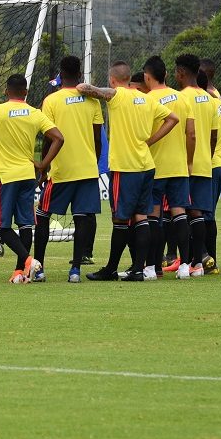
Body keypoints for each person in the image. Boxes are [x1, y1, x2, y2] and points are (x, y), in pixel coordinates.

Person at [77, 62, 177, 281]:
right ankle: (139, 269)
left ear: (113, 79)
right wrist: (151, 140)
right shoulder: (147, 99)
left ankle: (111, 269)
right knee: (141, 217)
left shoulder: (117, 95)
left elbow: (84, 88)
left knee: (120, 220)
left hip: (125, 167)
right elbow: (173, 119)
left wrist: (95, 90)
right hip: (146, 165)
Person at [0, 74, 64, 284]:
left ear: (6, 91)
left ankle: (28, 261)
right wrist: (43, 165)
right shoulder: (35, 113)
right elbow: (59, 138)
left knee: (2, 227)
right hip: (28, 175)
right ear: (25, 92)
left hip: (7, 177)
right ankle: (20, 271)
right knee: (26, 225)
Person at [37, 55, 103, 284]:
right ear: (80, 74)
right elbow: (97, 138)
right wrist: (92, 161)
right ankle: (75, 269)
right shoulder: (92, 100)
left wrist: (43, 167)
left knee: (42, 215)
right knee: (82, 219)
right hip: (87, 169)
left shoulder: (51, 101)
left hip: (61, 170)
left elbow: (48, 138)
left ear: (60, 73)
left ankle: (39, 268)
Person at [142, 56, 197, 280]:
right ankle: (185, 265)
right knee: (179, 214)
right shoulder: (183, 99)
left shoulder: (147, 100)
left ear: (147, 76)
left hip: (154, 167)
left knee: (153, 218)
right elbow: (191, 133)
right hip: (178, 166)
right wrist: (189, 161)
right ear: (165, 74)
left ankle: (153, 268)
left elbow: (143, 134)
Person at [176, 54, 219, 275]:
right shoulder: (210, 98)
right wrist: (206, 156)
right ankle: (199, 263)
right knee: (199, 213)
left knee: (182, 212)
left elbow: (187, 134)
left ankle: (189, 261)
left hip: (186, 164)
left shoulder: (181, 98)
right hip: (205, 163)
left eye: (176, 72)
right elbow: (214, 135)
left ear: (182, 73)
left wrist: (188, 161)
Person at [199, 64, 221, 271]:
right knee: (205, 214)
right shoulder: (217, 99)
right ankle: (206, 259)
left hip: (208, 165)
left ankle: (209, 260)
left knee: (204, 215)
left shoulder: (206, 101)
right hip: (218, 164)